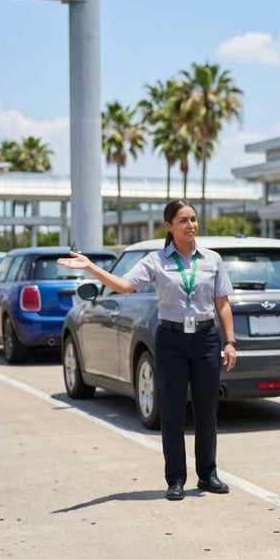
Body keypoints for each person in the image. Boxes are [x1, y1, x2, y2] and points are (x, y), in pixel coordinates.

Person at [58, 199, 237, 501]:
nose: (191, 225)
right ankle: (176, 478)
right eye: (183, 220)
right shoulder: (156, 261)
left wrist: (230, 342)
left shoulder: (212, 259)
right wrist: (90, 267)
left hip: (206, 339)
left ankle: (207, 474)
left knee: (207, 411)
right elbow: (124, 285)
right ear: (169, 226)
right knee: (172, 412)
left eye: (193, 219)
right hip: (170, 340)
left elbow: (222, 302)